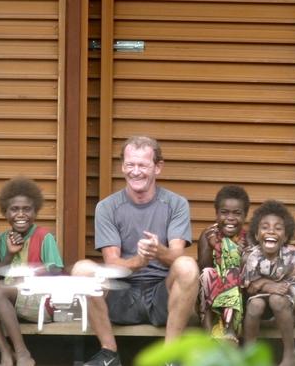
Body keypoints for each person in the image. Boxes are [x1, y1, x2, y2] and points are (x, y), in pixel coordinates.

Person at [71, 136, 199, 366]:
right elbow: (112, 262)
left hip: (162, 296)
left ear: (157, 167)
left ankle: (169, 358)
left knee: (188, 265)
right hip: (123, 295)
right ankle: (109, 354)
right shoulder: (107, 207)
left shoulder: (176, 204)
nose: (136, 172)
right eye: (130, 165)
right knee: (82, 269)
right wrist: (139, 261)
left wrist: (158, 250)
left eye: (143, 165)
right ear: (122, 166)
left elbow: (177, 256)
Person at [0, 177, 64, 366]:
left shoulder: (43, 236)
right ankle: (5, 351)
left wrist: (28, 275)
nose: (20, 214)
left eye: (26, 209)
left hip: (41, 302)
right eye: (14, 209)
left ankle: (22, 353)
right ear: (5, 212)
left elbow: (57, 270)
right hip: (11, 301)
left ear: (35, 211)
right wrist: (9, 254)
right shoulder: (5, 237)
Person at [242, 200, 295, 366]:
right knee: (255, 304)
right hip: (261, 305)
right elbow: (249, 286)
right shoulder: (252, 256)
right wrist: (269, 285)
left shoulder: (292, 257)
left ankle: (290, 354)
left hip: (288, 306)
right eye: (265, 227)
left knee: (276, 299)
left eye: (278, 228)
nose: (271, 230)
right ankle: (250, 353)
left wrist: (266, 285)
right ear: (256, 235)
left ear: (285, 237)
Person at [197, 185, 250, 343]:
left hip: (239, 298)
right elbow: (204, 267)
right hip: (210, 296)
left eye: (237, 213)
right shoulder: (209, 235)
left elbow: (248, 273)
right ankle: (208, 331)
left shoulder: (248, 239)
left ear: (245, 215)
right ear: (216, 213)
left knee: (233, 272)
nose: (230, 218)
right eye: (224, 212)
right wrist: (214, 246)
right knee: (207, 273)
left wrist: (241, 254)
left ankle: (230, 329)